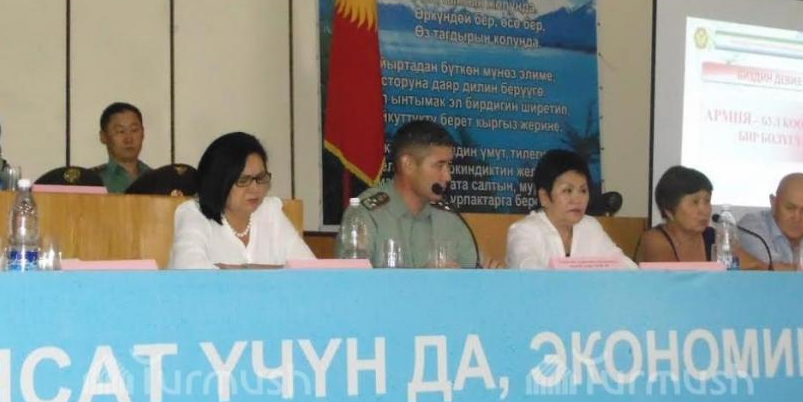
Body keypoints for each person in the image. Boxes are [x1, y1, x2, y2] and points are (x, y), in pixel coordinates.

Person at [336, 119, 478, 268]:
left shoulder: (449, 218)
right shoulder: (366, 215)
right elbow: (351, 279)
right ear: (408, 164)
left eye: (449, 166)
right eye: (439, 165)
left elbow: (472, 272)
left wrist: (488, 271)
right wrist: (423, 278)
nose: (447, 176)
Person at [168, 132, 313, 269]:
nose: (255, 188)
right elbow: (191, 274)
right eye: (243, 180)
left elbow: (310, 271)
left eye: (260, 178)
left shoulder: (270, 211)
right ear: (218, 182)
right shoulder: (193, 214)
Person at [507, 149, 636, 269]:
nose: (577, 199)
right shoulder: (525, 231)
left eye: (583, 190)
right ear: (544, 197)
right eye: (567, 190)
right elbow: (529, 272)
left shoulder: (590, 226)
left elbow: (625, 267)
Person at [636, 165, 714, 262]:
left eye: (707, 201)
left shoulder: (715, 237)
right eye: (695, 202)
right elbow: (670, 272)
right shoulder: (654, 240)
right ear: (669, 211)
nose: (704, 210)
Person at [91, 102, 152, 193]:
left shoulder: (158, 178)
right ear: (103, 136)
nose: (129, 139)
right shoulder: (92, 181)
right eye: (121, 131)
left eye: (134, 130)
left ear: (143, 133)